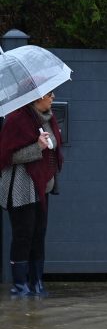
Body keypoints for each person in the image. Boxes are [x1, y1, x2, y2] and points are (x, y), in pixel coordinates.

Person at [0, 91, 63, 297]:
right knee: (23, 236)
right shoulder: (16, 120)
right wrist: (37, 146)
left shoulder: (48, 118)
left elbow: (53, 143)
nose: (53, 97)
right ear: (37, 98)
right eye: (50, 94)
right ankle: (20, 286)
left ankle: (37, 283)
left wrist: (51, 141)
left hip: (42, 187)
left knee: (39, 235)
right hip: (21, 187)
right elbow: (8, 155)